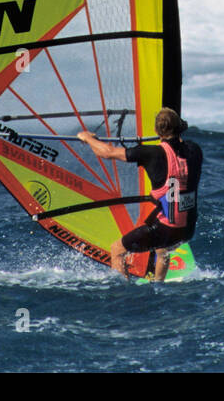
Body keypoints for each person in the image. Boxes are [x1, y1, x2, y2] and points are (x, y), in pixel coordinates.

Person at [77, 107, 202, 281]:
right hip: (188, 229)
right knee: (162, 248)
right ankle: (159, 286)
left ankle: (123, 295)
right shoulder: (195, 150)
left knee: (117, 251)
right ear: (180, 128)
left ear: (156, 131)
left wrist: (88, 138)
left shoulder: (151, 153)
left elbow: (107, 152)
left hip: (167, 230)